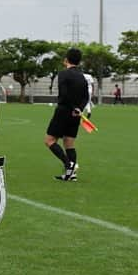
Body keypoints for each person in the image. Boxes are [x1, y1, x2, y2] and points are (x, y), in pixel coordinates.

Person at [46, 47, 90, 182]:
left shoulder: (64, 74)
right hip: (76, 114)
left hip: (64, 111)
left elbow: (64, 95)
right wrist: (79, 109)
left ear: (66, 60)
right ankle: (71, 175)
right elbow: (86, 96)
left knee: (49, 141)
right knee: (69, 143)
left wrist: (72, 107)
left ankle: (69, 164)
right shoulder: (82, 76)